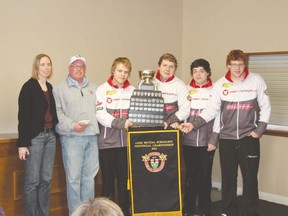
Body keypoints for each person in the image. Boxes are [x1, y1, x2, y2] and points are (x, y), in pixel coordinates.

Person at [180, 50, 271, 216]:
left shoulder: (256, 80)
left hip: (249, 137)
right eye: (234, 64)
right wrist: (193, 125)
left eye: (240, 64)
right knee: (228, 178)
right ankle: (228, 210)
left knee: (250, 178)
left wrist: (259, 130)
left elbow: (265, 106)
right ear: (228, 65)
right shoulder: (221, 84)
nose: (237, 68)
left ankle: (250, 211)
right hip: (227, 138)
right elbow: (212, 111)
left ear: (245, 65)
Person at [53, 55, 100, 215]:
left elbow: (100, 111)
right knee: (74, 180)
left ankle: (88, 213)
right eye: (75, 65)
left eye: (81, 66)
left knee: (89, 179)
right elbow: (57, 114)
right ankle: (75, 213)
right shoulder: (59, 89)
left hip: (92, 138)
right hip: (72, 139)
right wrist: (73, 125)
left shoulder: (94, 87)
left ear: (85, 69)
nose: (78, 68)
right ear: (69, 68)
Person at [16, 54, 58, 216]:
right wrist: (22, 144)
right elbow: (23, 117)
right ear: (36, 67)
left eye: (49, 64)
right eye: (43, 65)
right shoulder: (29, 87)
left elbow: (54, 115)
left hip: (50, 138)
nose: (46, 67)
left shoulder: (51, 87)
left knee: (46, 180)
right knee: (32, 182)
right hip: (35, 138)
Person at [95, 57, 135, 216]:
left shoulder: (132, 91)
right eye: (120, 71)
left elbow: (136, 115)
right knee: (108, 183)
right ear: (113, 70)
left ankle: (125, 212)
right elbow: (100, 115)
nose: (123, 74)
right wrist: (120, 123)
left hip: (126, 144)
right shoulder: (102, 89)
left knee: (125, 182)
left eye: (126, 72)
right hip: (107, 144)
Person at [181, 59, 219, 216]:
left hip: (206, 142)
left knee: (205, 177)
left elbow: (219, 116)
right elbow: (182, 113)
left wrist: (214, 138)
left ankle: (204, 209)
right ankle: (188, 209)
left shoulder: (215, 90)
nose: (198, 74)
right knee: (190, 176)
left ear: (208, 72)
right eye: (195, 71)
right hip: (188, 141)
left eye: (201, 71)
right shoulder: (185, 90)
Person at [153, 53, 190, 128]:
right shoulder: (149, 82)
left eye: (171, 66)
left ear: (175, 69)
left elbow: (185, 110)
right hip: (150, 126)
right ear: (158, 66)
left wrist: (168, 122)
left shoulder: (180, 85)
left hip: (171, 127)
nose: (167, 69)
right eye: (164, 65)